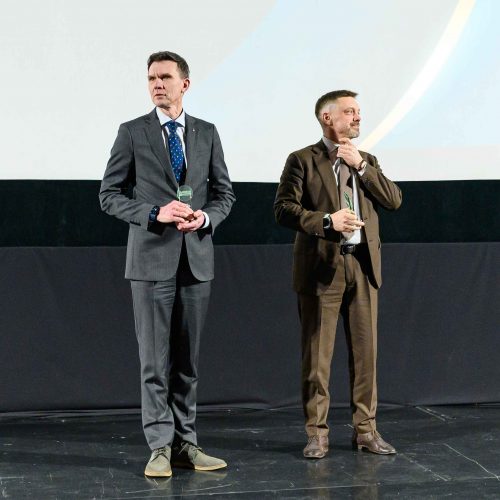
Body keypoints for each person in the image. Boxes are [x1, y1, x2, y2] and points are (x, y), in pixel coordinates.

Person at [100, 51, 235, 477]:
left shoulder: (206, 132)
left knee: (187, 363)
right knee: (154, 363)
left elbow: (224, 194)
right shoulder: (132, 132)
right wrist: (153, 212)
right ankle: (159, 446)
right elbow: (109, 195)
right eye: (151, 78)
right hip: (150, 261)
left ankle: (185, 444)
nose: (157, 84)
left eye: (165, 77)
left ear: (185, 84)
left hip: (195, 261)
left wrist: (205, 218)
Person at [274, 90, 402, 458]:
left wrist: (361, 166)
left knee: (365, 356)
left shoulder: (367, 159)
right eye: (349, 111)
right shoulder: (302, 160)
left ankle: (366, 430)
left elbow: (394, 200)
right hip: (321, 268)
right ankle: (317, 433)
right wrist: (327, 221)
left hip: (362, 266)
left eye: (358, 111)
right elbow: (284, 209)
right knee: (317, 358)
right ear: (327, 118)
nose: (357, 117)